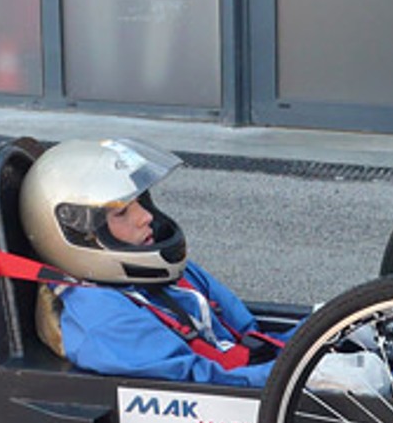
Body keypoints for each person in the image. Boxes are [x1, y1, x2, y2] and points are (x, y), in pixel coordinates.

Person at [18, 138, 281, 387]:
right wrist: (304, 375)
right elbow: (204, 384)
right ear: (81, 233)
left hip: (254, 376)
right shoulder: (101, 317)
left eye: (140, 203)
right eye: (122, 212)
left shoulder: (168, 272)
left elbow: (252, 333)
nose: (145, 217)